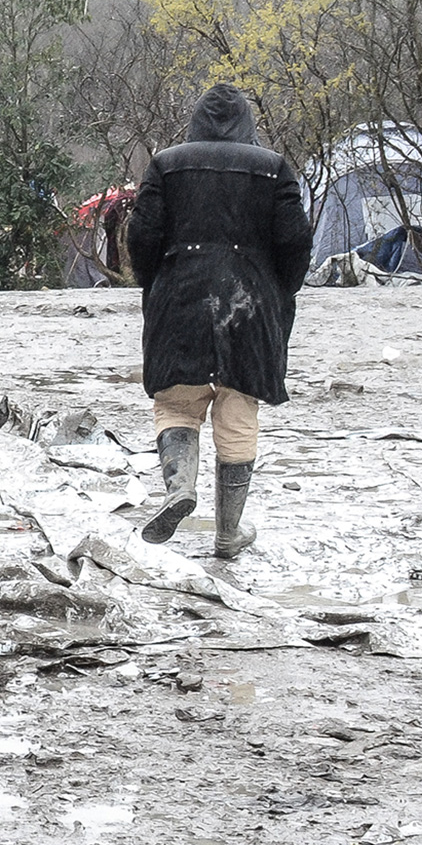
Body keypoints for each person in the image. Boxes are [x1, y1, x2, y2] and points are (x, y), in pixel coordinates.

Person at [126, 83, 313, 558]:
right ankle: (228, 532)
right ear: (248, 123)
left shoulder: (166, 164)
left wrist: (157, 283)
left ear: (195, 121)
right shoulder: (274, 169)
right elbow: (295, 241)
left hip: (181, 298)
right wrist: (278, 291)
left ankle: (179, 489)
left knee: (178, 404)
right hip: (249, 304)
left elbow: (142, 236)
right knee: (237, 411)